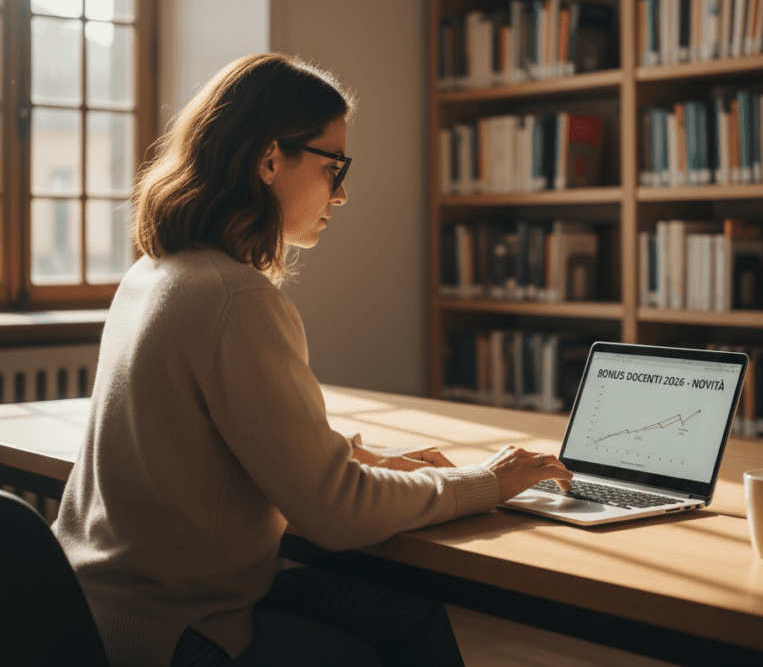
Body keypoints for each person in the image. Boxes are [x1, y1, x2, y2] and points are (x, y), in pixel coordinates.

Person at [53, 53, 572, 667]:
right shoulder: (235, 298)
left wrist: (358, 457)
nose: (342, 194)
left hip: (95, 610)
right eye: (334, 167)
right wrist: (487, 481)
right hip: (176, 634)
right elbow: (338, 515)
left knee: (399, 609)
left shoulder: (156, 272)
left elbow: (219, 438)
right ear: (269, 159)